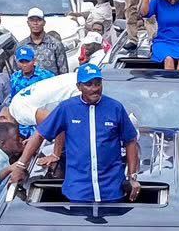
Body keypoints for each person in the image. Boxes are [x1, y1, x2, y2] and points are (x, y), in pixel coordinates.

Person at [9, 64, 142, 203]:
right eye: (89, 84)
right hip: (78, 191)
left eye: (98, 84)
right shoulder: (67, 108)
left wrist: (132, 177)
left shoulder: (115, 108)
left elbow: (130, 141)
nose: (94, 88)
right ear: (79, 87)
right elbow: (40, 134)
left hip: (112, 190)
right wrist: (20, 166)